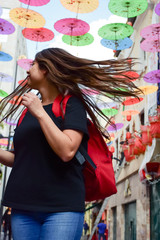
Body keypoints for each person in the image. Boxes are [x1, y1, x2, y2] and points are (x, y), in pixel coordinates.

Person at [0, 48, 141, 240]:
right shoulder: (26, 113)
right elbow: (20, 158)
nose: (27, 69)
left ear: (46, 70)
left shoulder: (71, 104)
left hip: (62, 207)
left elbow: (67, 150)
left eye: (33, 64)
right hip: (22, 205)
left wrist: (40, 112)